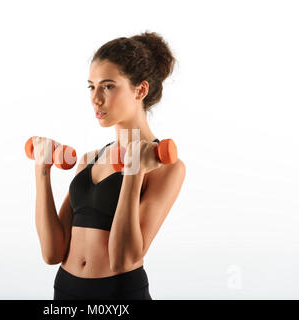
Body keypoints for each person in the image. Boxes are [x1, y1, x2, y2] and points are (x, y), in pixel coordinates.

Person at [33, 31, 186, 300]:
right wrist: (42, 171)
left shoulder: (166, 167)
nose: (96, 98)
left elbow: (123, 260)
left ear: (140, 89)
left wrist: (134, 171)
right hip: (65, 292)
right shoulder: (88, 160)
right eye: (91, 86)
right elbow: (51, 252)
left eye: (108, 86)